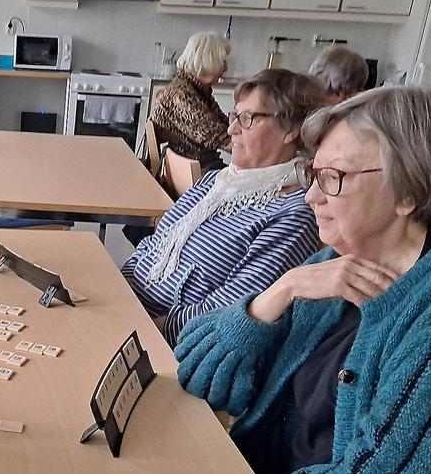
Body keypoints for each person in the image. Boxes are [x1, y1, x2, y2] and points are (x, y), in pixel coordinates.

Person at [175, 87, 431, 474]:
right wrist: (280, 292)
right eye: (313, 174)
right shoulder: (333, 263)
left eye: (333, 178)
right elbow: (199, 373)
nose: (310, 197)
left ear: (408, 191)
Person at [122, 69, 325, 346]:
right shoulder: (217, 182)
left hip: (164, 343)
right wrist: (118, 290)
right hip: (130, 310)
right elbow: (154, 244)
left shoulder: (293, 216)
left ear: (291, 129)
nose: (232, 129)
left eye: (247, 119)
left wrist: (140, 330)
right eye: (235, 116)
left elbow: (229, 311)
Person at [148, 31, 232, 171]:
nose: (225, 69)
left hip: (201, 166)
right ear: (208, 61)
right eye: (223, 62)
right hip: (196, 171)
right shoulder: (181, 95)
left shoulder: (198, 90)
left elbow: (225, 126)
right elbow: (220, 139)